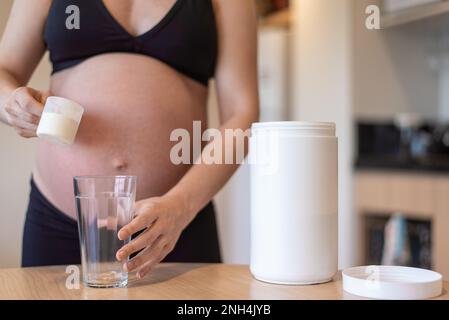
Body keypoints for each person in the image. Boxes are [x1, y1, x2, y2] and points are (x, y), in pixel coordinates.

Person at [0, 0, 258, 279]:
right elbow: (4, 71)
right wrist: (11, 103)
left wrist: (181, 207)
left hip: (177, 224)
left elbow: (241, 116)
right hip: (58, 224)